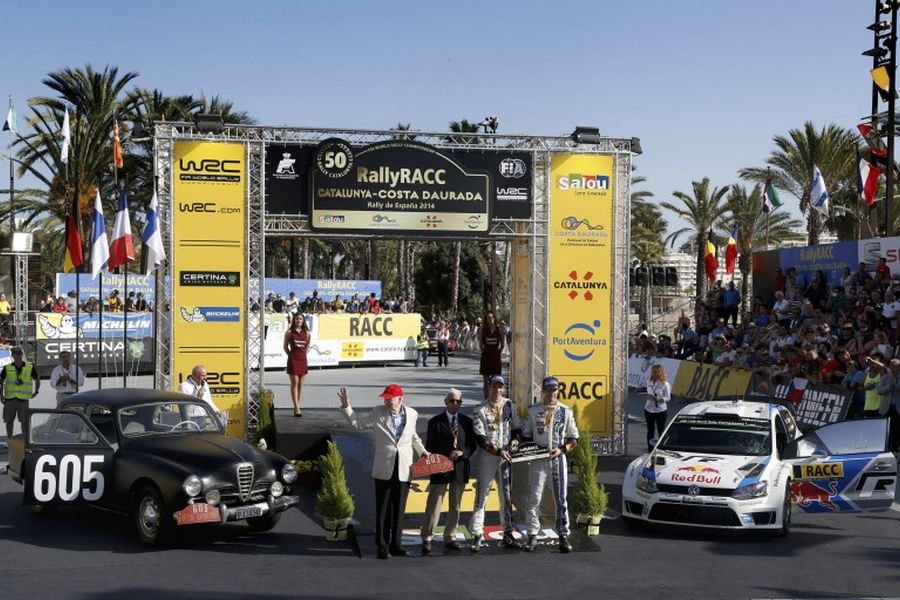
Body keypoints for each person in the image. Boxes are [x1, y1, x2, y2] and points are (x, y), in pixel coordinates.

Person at [339, 384, 428, 560]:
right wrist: (346, 406)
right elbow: (357, 424)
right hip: (384, 467)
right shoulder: (377, 412)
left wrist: (423, 451)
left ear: (400, 399)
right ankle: (382, 545)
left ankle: (396, 544)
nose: (387, 401)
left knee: (399, 509)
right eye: (385, 398)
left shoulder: (412, 414)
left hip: (404, 467)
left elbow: (413, 437)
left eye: (390, 398)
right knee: (383, 508)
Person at [521, 376, 579, 553]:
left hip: (557, 459)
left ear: (558, 391)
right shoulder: (533, 411)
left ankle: (562, 535)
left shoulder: (565, 411)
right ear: (543, 391)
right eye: (548, 390)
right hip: (538, 460)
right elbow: (525, 436)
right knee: (534, 498)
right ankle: (532, 535)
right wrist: (527, 451)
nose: (552, 394)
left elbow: (574, 438)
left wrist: (562, 449)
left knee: (561, 498)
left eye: (555, 390)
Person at [469, 374, 522, 553]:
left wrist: (515, 442)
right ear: (489, 387)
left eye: (501, 386)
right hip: (488, 457)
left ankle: (507, 532)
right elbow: (480, 438)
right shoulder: (480, 409)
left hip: (506, 456)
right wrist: (499, 451)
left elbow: (516, 429)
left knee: (506, 496)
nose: (498, 390)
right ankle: (477, 533)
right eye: (494, 386)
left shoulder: (509, 405)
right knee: (482, 494)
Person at [420, 388, 476, 556]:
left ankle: (450, 537)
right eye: (452, 400)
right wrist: (442, 459)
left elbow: (472, 446)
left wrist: (462, 453)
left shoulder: (466, 422)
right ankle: (427, 537)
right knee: (434, 505)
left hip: (460, 470)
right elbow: (429, 447)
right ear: (445, 401)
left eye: (458, 401)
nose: (455, 404)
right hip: (440, 470)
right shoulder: (435, 422)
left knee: (456, 506)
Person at [1, 347, 41, 438]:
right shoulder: (7, 367)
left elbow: (37, 378)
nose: (18, 356)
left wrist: (36, 391)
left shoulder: (29, 367)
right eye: (16, 354)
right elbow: (1, 381)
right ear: (12, 355)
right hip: (10, 399)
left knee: (24, 421)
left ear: (22, 355)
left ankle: (24, 440)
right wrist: (1, 395)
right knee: (9, 421)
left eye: (19, 354)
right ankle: (10, 439)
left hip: (23, 399)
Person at [283, 313, 310, 417]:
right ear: (294, 320)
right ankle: (297, 406)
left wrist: (303, 355)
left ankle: (297, 405)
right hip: (293, 360)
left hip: (303, 360)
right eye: (297, 319)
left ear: (303, 320)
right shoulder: (289, 332)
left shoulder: (307, 333)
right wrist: (291, 356)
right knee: (295, 383)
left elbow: (307, 346)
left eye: (300, 319)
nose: (299, 320)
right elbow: (285, 347)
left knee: (301, 385)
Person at [479, 312, 504, 399]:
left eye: (491, 317)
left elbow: (502, 344)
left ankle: (496, 399)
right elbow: (480, 345)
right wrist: (485, 353)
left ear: (494, 318)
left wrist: (498, 353)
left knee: (496, 380)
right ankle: (487, 400)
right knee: (486, 381)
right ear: (486, 320)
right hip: (486, 357)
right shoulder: (483, 330)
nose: (490, 319)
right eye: (488, 318)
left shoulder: (499, 329)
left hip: (495, 357)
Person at [645, 364, 670, 452]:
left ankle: (661, 449)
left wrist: (660, 398)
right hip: (649, 409)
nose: (655, 374)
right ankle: (650, 450)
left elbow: (668, 398)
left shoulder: (665, 384)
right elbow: (648, 392)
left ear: (661, 373)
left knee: (661, 431)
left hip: (660, 410)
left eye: (657, 372)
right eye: (653, 372)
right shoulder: (648, 381)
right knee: (650, 431)